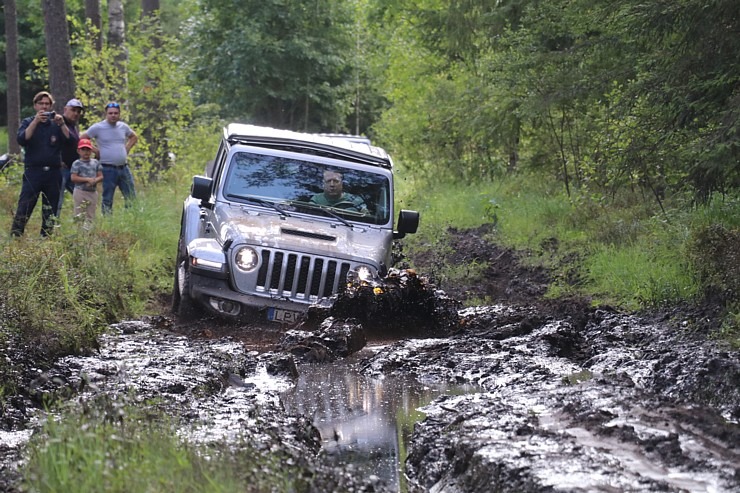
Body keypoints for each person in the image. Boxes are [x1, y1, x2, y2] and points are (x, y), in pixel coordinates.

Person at [11, 91, 70, 237]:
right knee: (25, 204)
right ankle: (16, 236)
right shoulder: (28, 122)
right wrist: (35, 122)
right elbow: (22, 139)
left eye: (47, 104)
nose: (44, 107)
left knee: (51, 208)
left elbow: (70, 141)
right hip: (34, 172)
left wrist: (62, 124)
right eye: (41, 104)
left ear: (51, 106)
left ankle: (46, 238)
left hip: (53, 172)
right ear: (35, 105)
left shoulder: (56, 123)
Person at [80, 101, 138, 214]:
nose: (113, 115)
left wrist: (126, 149)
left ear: (119, 114)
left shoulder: (123, 127)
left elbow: (134, 137)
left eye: (116, 113)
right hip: (107, 168)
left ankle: (131, 218)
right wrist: (94, 150)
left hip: (123, 168)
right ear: (106, 114)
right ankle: (108, 222)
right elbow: (82, 138)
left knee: (131, 196)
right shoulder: (98, 127)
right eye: (110, 113)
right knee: (107, 197)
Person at [58, 98, 84, 213]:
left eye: (78, 112)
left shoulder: (73, 125)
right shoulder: (59, 122)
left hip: (73, 169)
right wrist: (57, 159)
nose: (76, 114)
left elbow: (74, 143)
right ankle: (52, 228)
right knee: (58, 201)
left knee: (83, 198)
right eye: (73, 110)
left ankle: (84, 224)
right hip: (61, 169)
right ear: (65, 109)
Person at [70, 138, 103, 228]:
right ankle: (79, 232)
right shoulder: (77, 163)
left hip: (92, 192)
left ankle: (88, 233)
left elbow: (101, 176)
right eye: (83, 150)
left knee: (91, 214)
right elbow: (73, 177)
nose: (86, 152)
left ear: (91, 150)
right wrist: (87, 179)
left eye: (88, 150)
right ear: (78, 151)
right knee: (79, 213)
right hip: (80, 191)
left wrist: (95, 180)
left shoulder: (95, 162)